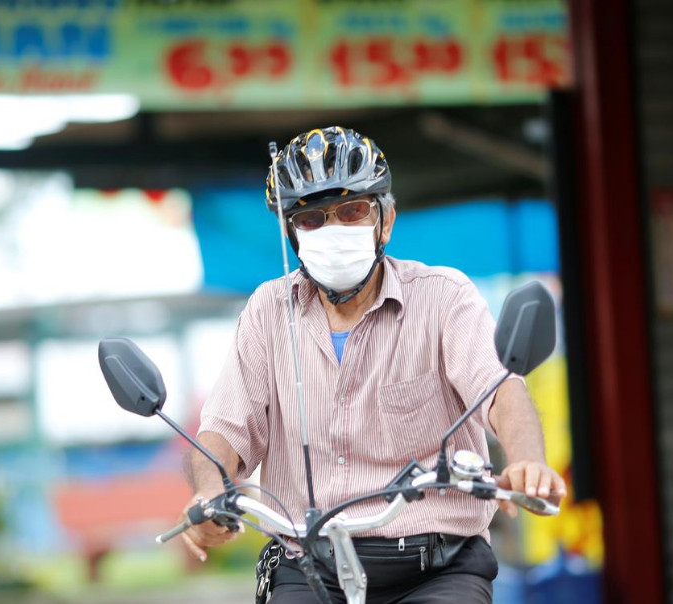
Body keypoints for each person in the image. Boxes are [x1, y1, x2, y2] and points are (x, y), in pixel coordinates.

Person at [179, 126, 566, 603]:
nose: (333, 229)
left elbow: (502, 391)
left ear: (385, 221)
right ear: (291, 234)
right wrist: (209, 492)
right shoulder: (266, 313)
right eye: (312, 219)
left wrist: (529, 461)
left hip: (438, 568)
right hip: (310, 565)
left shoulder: (444, 298)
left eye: (352, 210)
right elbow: (222, 433)